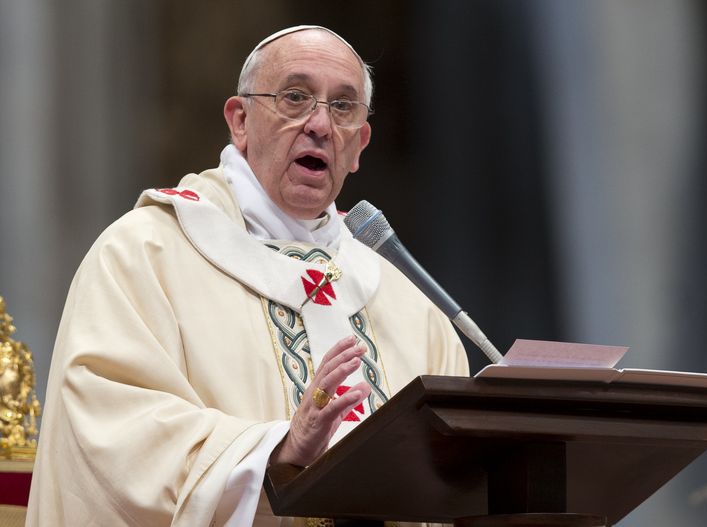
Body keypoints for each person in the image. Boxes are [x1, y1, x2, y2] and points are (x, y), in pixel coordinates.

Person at [26, 25, 468, 527]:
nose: (320, 124)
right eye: (296, 97)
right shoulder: (144, 255)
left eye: (343, 107)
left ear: (360, 142)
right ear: (239, 120)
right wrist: (275, 449)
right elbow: (110, 429)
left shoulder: (410, 304)